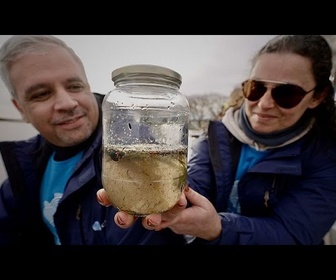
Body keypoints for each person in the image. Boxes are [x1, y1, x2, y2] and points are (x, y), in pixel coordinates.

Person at [97, 35, 336, 245]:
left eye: (287, 93)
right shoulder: (217, 135)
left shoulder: (326, 157)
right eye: (256, 88)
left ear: (317, 96)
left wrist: (218, 229)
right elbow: (193, 185)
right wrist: (169, 203)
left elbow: (293, 235)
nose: (264, 103)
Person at [0, 35, 187, 245]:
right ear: (20, 109)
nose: (67, 103)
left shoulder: (146, 155)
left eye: (74, 86)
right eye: (42, 94)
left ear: (88, 85)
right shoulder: (23, 167)